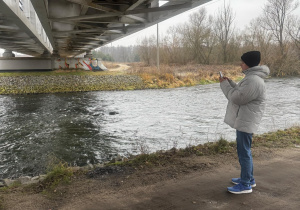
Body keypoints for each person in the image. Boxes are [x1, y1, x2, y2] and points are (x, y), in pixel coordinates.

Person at [219, 51, 270, 194]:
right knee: (245, 151)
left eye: (242, 62)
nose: (240, 64)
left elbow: (237, 98)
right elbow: (242, 92)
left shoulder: (253, 80)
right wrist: (230, 83)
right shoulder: (252, 78)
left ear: (248, 64)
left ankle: (246, 184)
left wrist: (224, 86)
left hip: (246, 121)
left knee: (244, 152)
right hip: (246, 119)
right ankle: (248, 179)